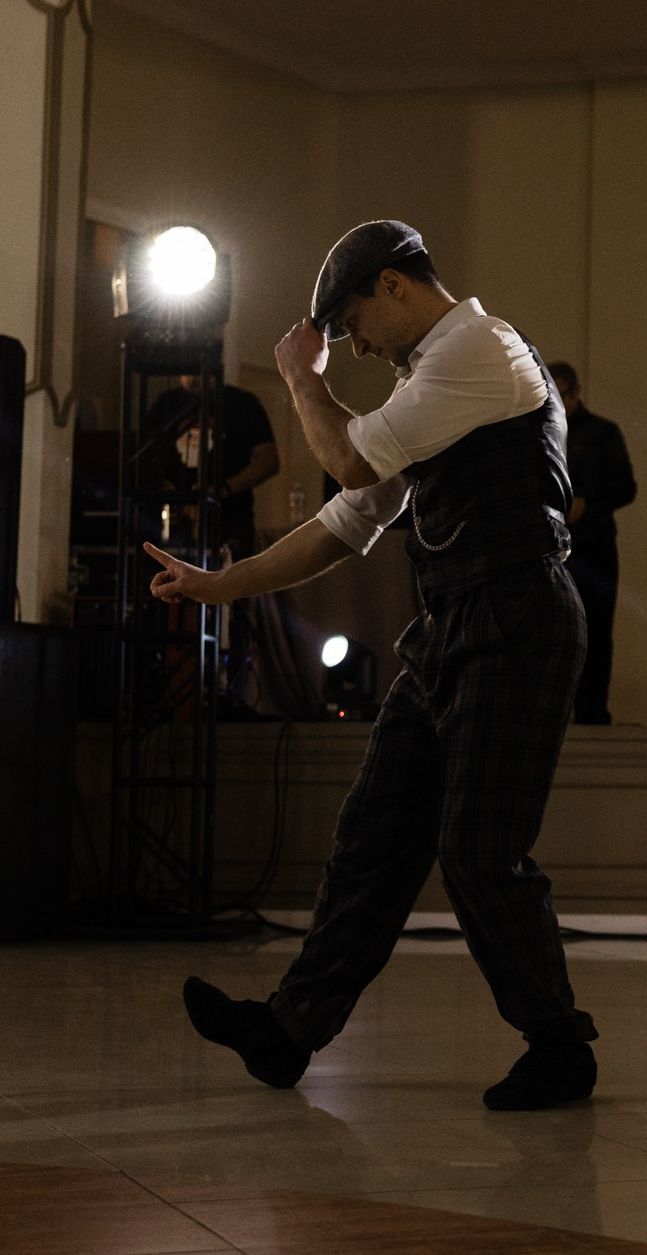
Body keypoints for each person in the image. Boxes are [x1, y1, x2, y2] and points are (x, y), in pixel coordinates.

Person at [151, 219, 597, 1111]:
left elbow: (347, 458)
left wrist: (297, 380)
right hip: (452, 630)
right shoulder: (430, 383)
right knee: (374, 836)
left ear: (395, 286)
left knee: (480, 852)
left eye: (355, 321)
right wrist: (222, 584)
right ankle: (286, 1033)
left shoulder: (479, 347)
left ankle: (559, 1046)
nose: (353, 344)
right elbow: (348, 521)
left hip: (517, 620)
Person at [548, 362, 636, 724]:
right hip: (551, 550)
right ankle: (554, 714)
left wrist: (588, 503)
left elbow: (626, 487)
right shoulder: (542, 431)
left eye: (560, 394)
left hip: (594, 545)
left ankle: (592, 714)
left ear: (576, 392)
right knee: (552, 633)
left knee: (597, 632)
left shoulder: (602, 433)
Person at [148, 374, 279, 559]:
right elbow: (148, 456)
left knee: (230, 582)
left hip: (229, 519)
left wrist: (224, 488)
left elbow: (269, 461)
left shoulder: (242, 402)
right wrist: (166, 488)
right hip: (175, 520)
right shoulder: (166, 403)